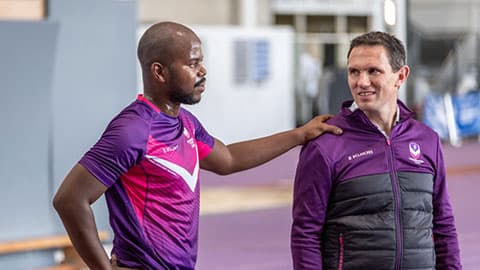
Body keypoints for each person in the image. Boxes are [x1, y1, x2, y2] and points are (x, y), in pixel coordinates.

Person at [53, 21, 342, 270]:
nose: (202, 71)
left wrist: (300, 134)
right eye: (192, 64)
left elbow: (227, 158)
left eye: (200, 61)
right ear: (159, 72)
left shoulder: (185, 124)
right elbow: (70, 199)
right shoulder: (133, 130)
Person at [291, 31, 462, 269]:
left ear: (400, 76)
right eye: (354, 71)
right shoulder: (325, 144)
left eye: (373, 71)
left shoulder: (427, 140)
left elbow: (443, 223)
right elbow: (305, 234)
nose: (362, 82)